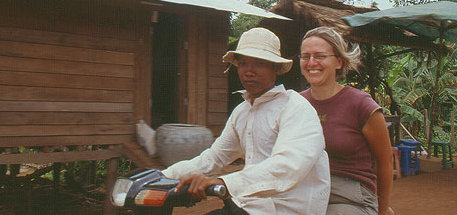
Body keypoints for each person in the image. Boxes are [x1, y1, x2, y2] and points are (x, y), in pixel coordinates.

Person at [162, 27, 330, 215]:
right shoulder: (242, 112)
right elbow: (214, 158)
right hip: (248, 206)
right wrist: (164, 176)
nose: (249, 71)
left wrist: (223, 181)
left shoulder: (296, 107)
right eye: (242, 64)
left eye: (258, 63)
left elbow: (287, 166)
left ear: (276, 68)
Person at [299, 26, 394, 215]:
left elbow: (385, 162)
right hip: (304, 194)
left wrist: (382, 210)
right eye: (305, 56)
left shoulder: (361, 104)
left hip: (350, 197)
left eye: (320, 56)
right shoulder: (295, 103)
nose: (311, 62)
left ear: (339, 62)